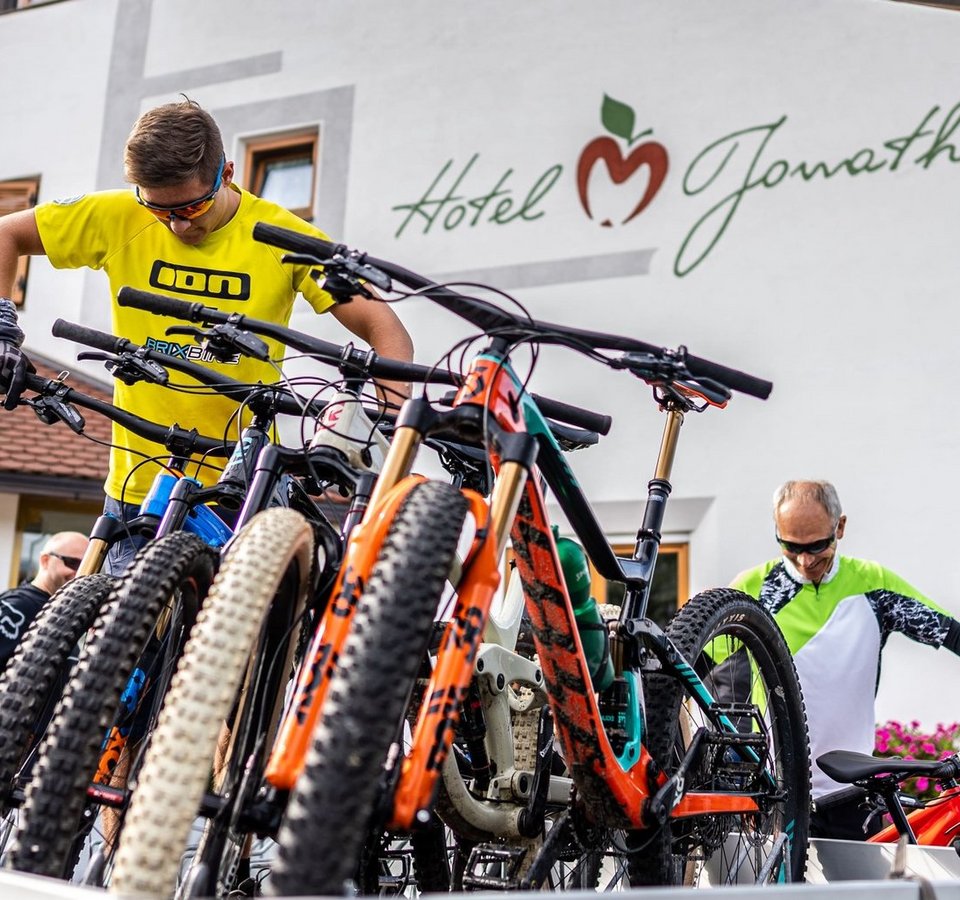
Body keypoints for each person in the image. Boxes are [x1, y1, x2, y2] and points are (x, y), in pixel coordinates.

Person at [0, 96, 413, 574]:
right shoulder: (117, 216)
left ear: (229, 172)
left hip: (240, 488)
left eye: (193, 206)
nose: (178, 224)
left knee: (230, 642)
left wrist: (383, 427)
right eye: (160, 210)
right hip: (140, 487)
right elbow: (7, 233)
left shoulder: (280, 235)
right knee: (121, 644)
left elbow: (387, 333)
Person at [731, 479, 960, 840]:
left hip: (851, 792)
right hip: (773, 790)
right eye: (791, 547)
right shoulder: (753, 588)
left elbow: (951, 633)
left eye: (818, 546)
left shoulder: (874, 585)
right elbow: (697, 672)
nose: (805, 561)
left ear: (840, 527)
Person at [0, 531, 89, 670]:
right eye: (73, 563)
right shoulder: (17, 607)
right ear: (45, 560)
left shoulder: (64, 612)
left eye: (87, 566)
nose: (80, 573)